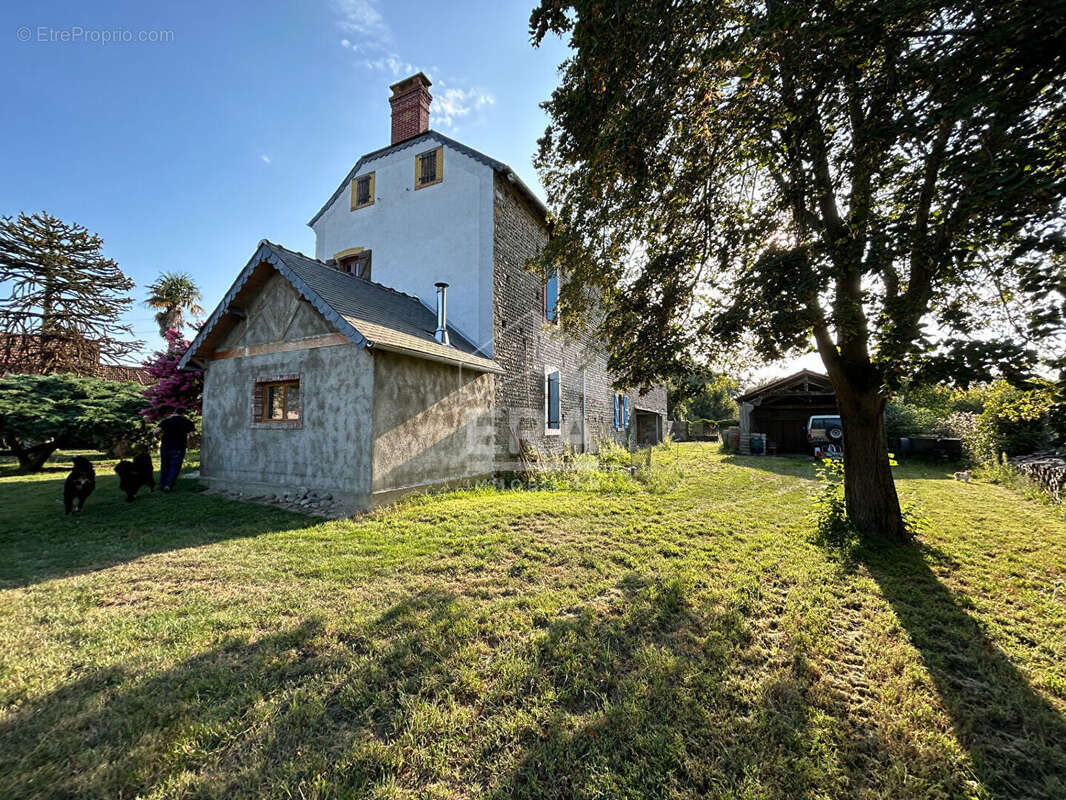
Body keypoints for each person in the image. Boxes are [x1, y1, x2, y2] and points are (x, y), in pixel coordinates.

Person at [155, 409, 196, 492]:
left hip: (166, 446)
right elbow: (192, 435)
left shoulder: (166, 421)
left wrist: (158, 437)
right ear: (184, 413)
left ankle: (162, 484)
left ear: (174, 412)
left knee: (165, 465)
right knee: (175, 467)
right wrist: (191, 443)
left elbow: (156, 431)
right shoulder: (187, 422)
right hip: (179, 447)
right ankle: (168, 485)